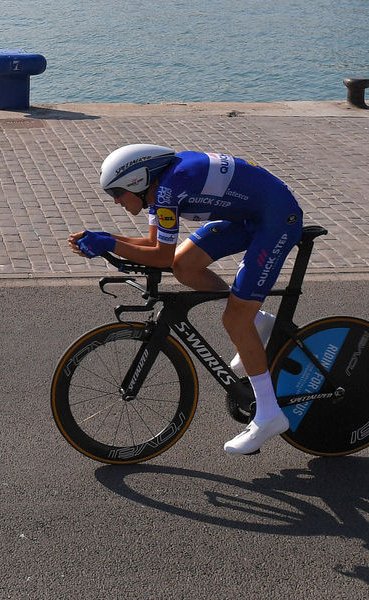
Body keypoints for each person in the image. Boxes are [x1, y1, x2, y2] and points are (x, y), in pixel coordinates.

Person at [68, 144, 303, 455]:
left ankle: (270, 414)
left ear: (138, 182)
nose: (116, 202)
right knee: (185, 265)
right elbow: (158, 248)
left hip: (276, 219)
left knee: (235, 319)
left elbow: (159, 256)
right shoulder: (160, 187)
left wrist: (109, 241)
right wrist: (104, 239)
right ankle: (258, 324)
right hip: (249, 216)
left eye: (117, 193)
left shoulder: (168, 189)